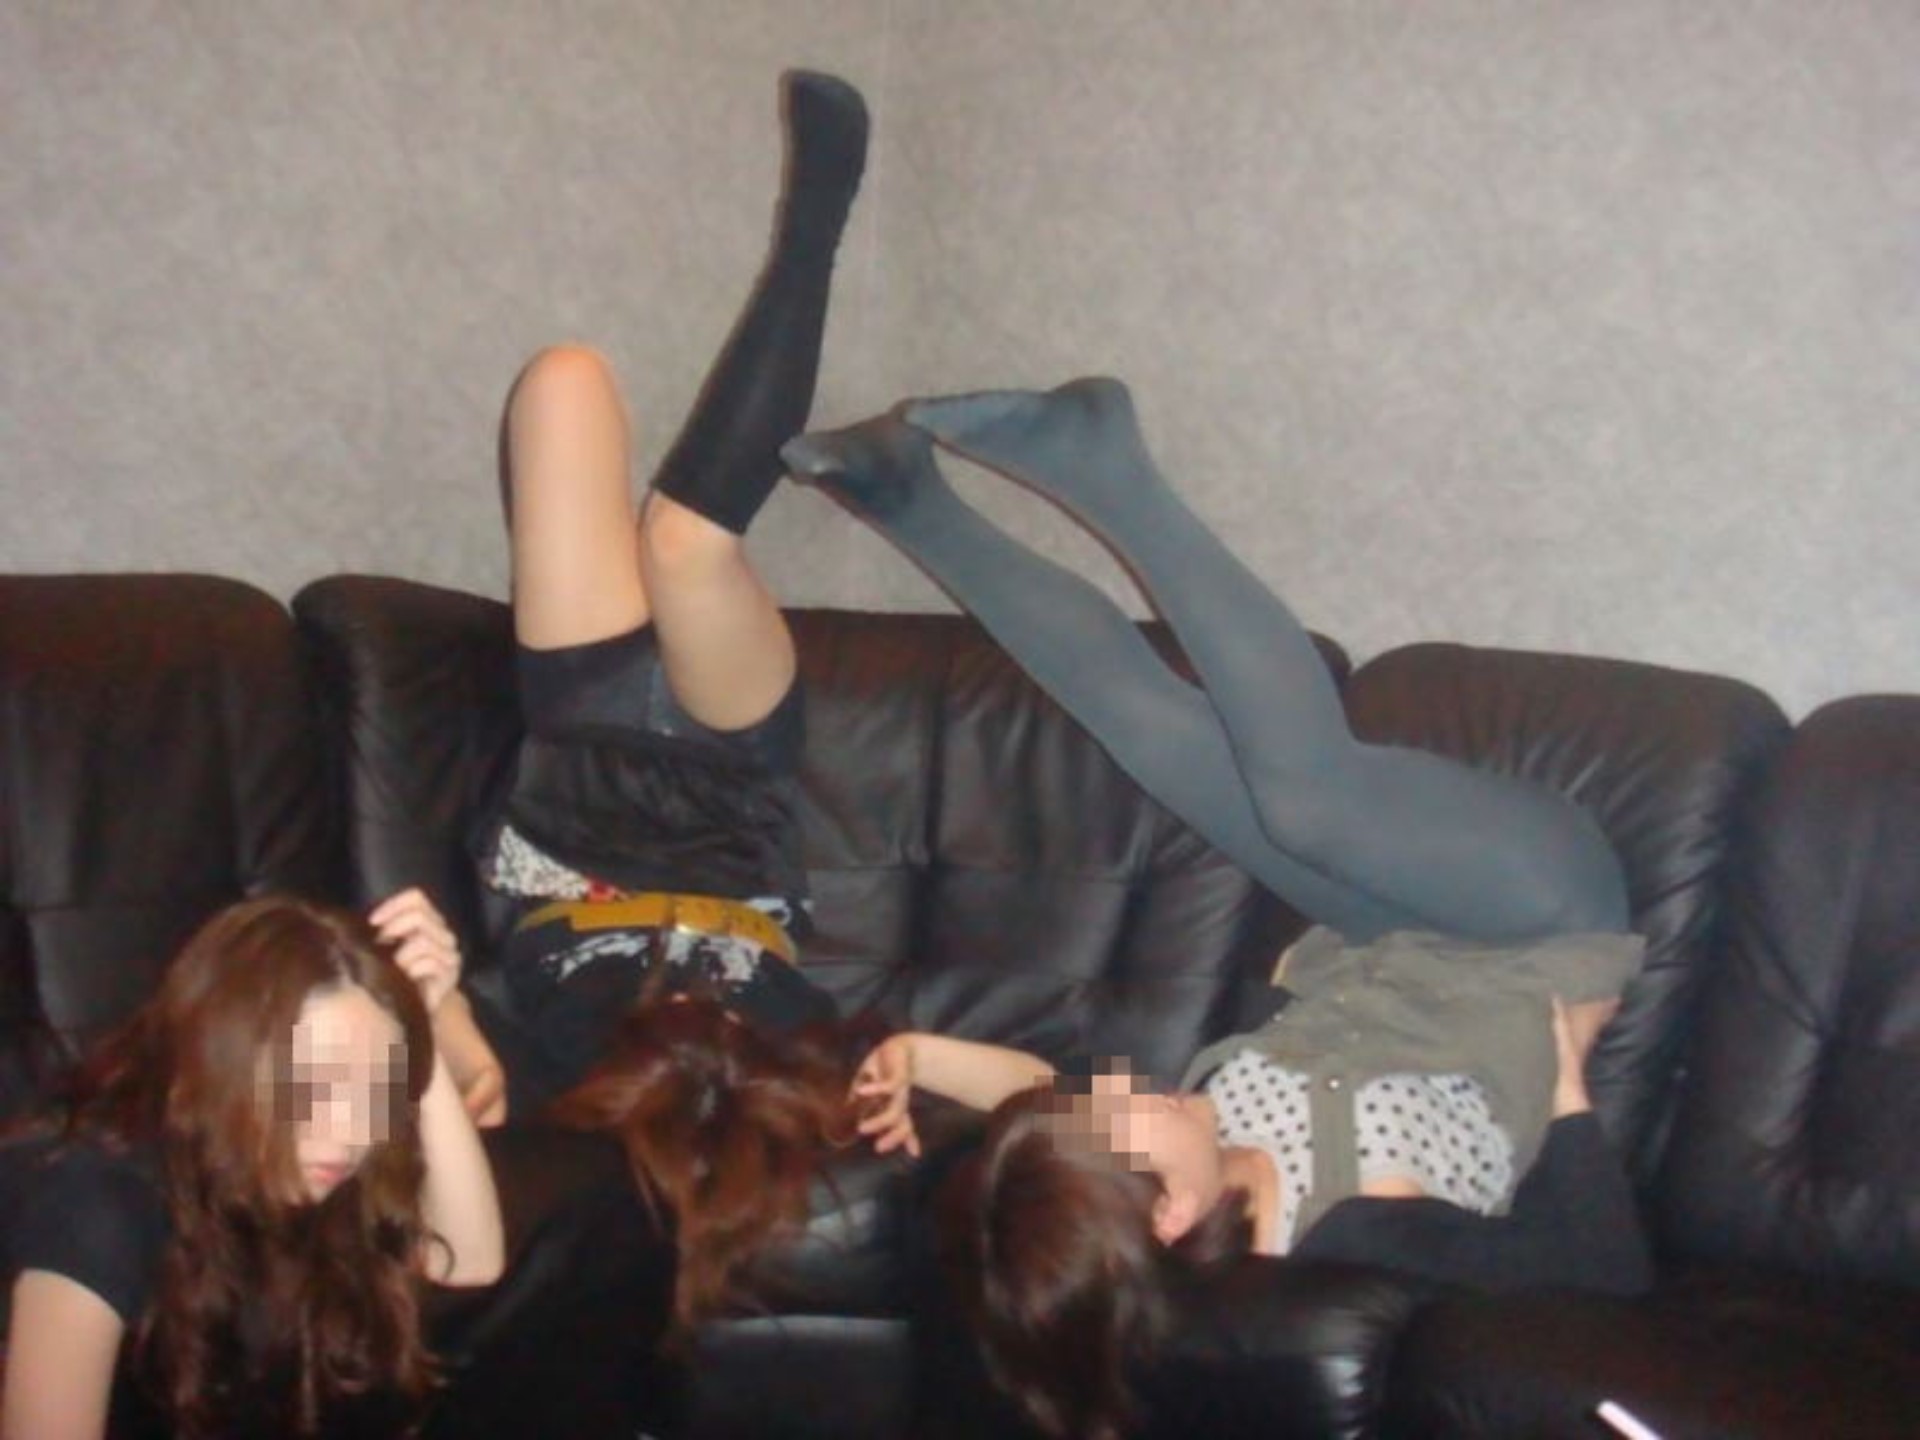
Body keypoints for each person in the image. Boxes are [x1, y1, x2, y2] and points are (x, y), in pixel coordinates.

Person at [780, 377, 1653, 1440]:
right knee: (1303, 801)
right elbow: (1603, 1277)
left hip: (1387, 926)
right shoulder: (1353, 1233)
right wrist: (1567, 1090)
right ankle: (1107, 461)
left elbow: (1046, 1099)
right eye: (1122, 1110)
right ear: (1172, 1214)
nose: (1121, 1083)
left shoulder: (1174, 1155)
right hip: (1540, 922)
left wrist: (919, 1053)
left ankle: (909, 500)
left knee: (1148, 731)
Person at [422, 69, 875, 1330]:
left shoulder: (552, 1078)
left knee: (561, 381)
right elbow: (996, 1092)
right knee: (685, 543)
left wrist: (432, 1006)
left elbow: (444, 1067)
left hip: (578, 775)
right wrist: (905, 1081)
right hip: (730, 787)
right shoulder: (808, 1058)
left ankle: (810, 236)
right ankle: (818, 220)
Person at [0, 889, 503, 1440]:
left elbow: (470, 1260)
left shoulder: (319, 1157)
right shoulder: (101, 1202)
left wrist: (418, 1024)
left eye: (378, 1090)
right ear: (224, 1059)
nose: (350, 1133)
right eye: (313, 1086)